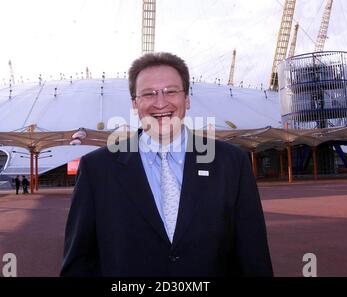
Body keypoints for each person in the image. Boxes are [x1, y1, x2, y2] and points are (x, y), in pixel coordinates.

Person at [61, 52, 273, 277]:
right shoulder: (97, 169)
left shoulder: (231, 163)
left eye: (171, 91)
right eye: (149, 94)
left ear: (187, 99)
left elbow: (253, 255)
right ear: (135, 103)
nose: (160, 102)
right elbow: (79, 262)